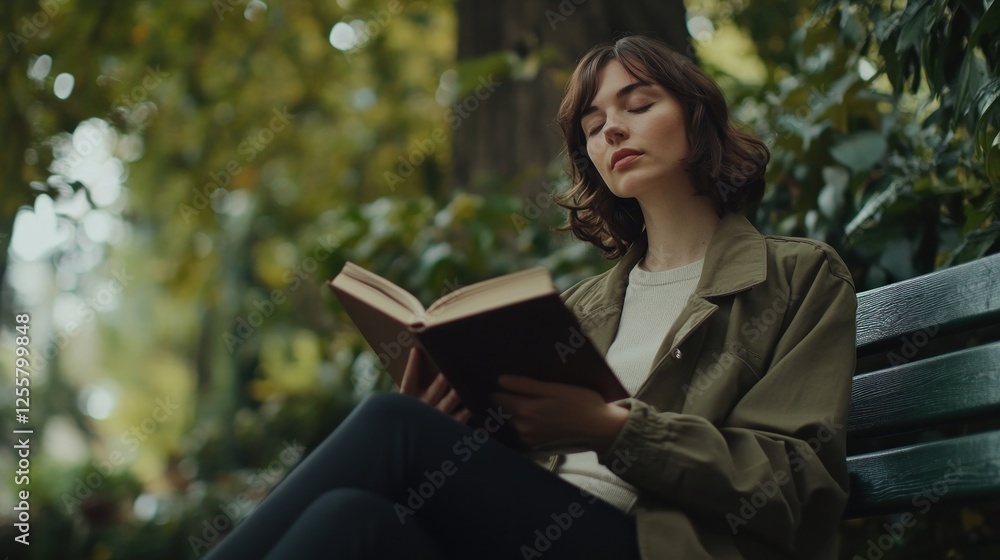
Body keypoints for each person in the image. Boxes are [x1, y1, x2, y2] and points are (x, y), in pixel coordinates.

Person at [204, 34, 856, 560]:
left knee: (390, 428)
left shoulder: (796, 278)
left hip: (661, 546)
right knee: (351, 519)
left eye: (638, 104)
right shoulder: (582, 309)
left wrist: (616, 431)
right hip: (538, 529)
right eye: (594, 125)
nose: (612, 132)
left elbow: (797, 486)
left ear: (697, 114)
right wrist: (456, 427)